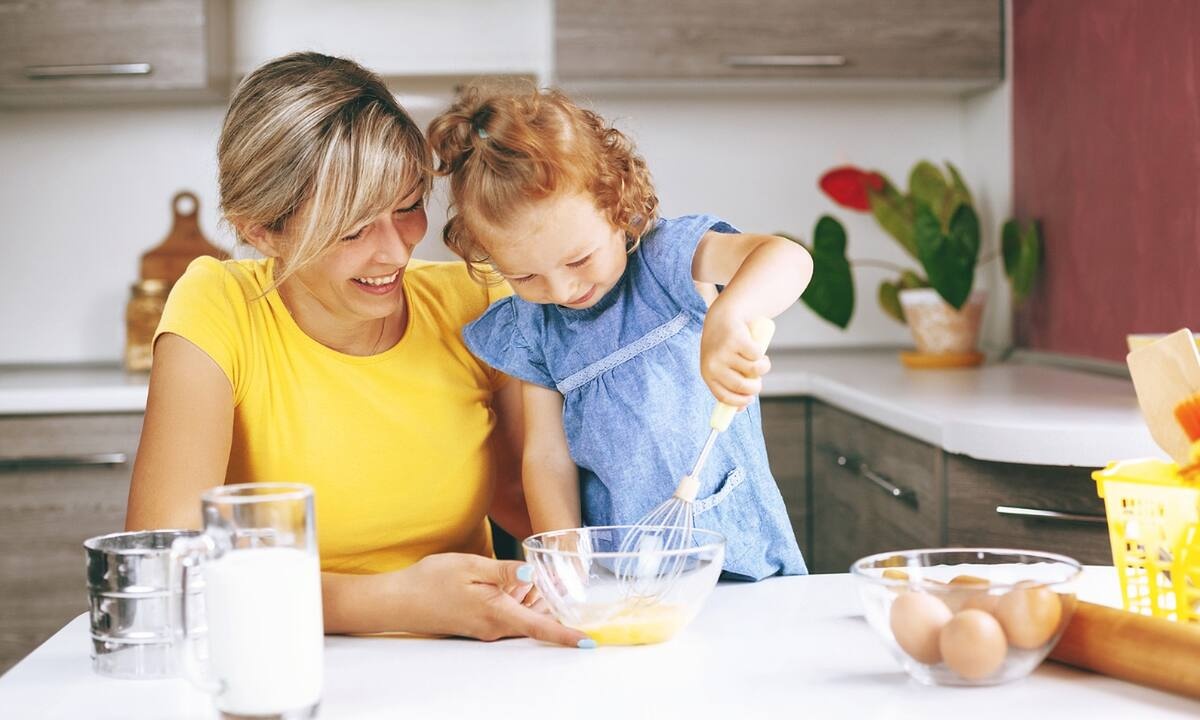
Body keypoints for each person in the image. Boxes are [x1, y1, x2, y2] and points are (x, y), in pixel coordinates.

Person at [124, 53, 588, 647]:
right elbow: (167, 571)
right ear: (261, 229)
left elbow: (534, 505)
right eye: (352, 230)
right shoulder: (219, 306)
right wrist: (391, 601)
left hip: (469, 666)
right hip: (275, 663)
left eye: (408, 208)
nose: (395, 253)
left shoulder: (477, 305)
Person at [427, 85, 814, 580]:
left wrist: (728, 317)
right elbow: (546, 456)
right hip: (621, 571)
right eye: (524, 276)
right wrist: (559, 553)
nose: (563, 289)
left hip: (741, 556)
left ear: (617, 205)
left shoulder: (664, 262)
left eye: (579, 259)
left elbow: (787, 257)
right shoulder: (534, 330)